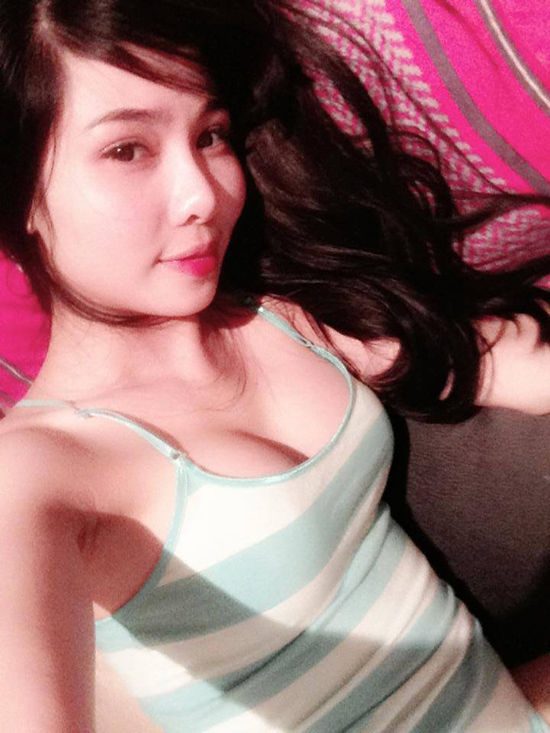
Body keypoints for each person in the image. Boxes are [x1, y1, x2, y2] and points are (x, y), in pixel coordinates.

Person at [1, 0, 549, 730]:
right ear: (19, 192)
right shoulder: (39, 472)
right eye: (127, 150)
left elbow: (503, 364)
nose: (202, 194)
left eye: (210, 135)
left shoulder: (281, 319)